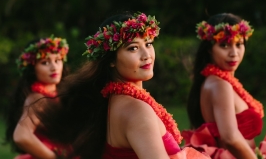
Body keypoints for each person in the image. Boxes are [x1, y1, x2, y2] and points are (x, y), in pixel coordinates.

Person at [30, 12, 210, 159]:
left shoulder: (112, 101)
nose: (146, 54)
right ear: (111, 61)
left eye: (148, 44)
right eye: (133, 48)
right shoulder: (136, 110)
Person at [182, 13, 266, 159]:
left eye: (239, 44)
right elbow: (230, 138)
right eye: (224, 45)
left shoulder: (216, 81)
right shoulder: (220, 85)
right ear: (210, 48)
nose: (234, 53)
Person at [5, 36, 70, 159]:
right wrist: (54, 157)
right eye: (45, 62)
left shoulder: (56, 93)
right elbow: (21, 136)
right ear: (32, 69)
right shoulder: (38, 99)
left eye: (57, 60)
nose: (54, 67)